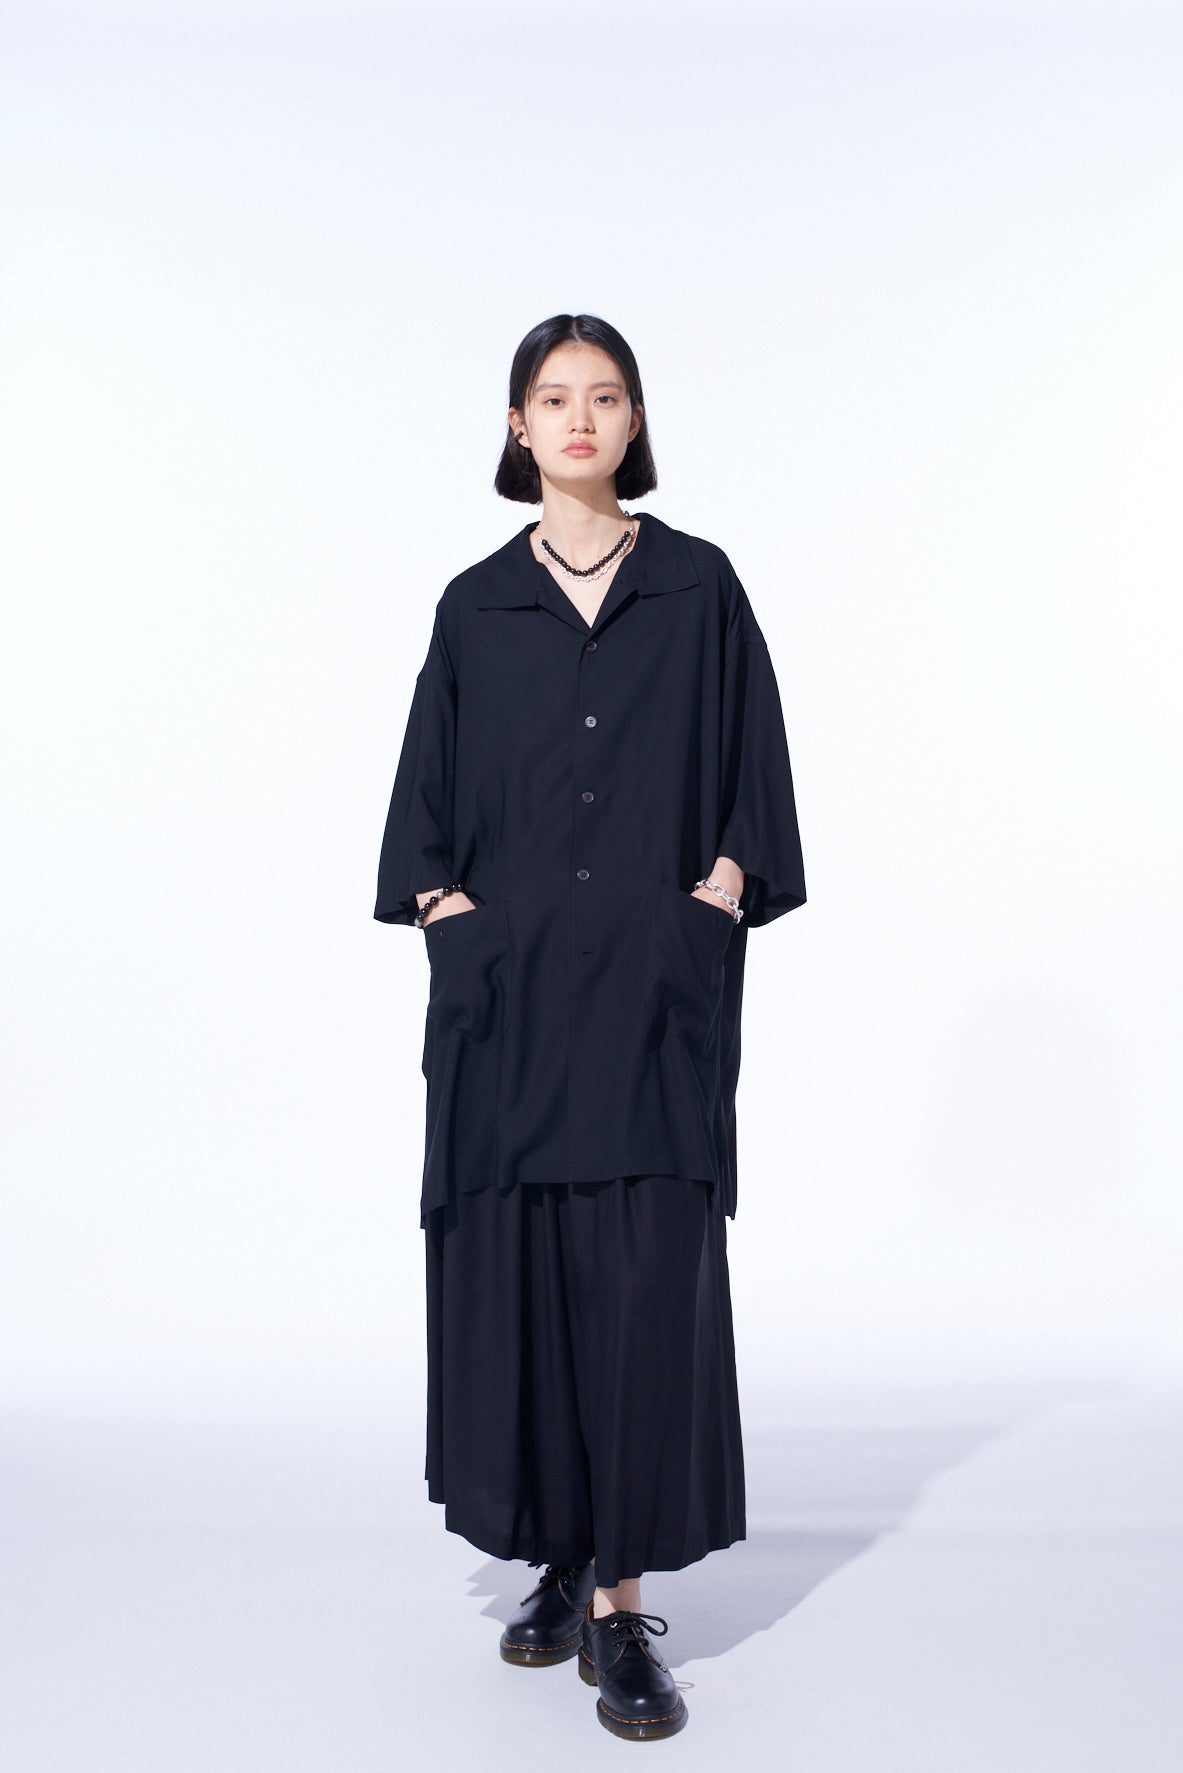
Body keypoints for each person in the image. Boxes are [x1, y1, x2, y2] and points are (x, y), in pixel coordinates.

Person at [373, 313, 806, 1742]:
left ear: (633, 422)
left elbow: (755, 770)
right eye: (552, 396)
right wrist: (447, 911)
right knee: (521, 1273)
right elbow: (423, 795)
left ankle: (619, 1605)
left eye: (604, 395)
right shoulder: (474, 607)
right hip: (509, 998)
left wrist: (716, 894)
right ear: (517, 426)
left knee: (638, 1277)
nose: (578, 417)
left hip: (649, 991)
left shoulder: (698, 586)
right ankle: (559, 1552)